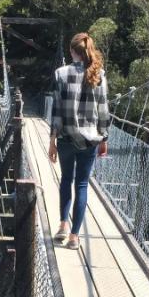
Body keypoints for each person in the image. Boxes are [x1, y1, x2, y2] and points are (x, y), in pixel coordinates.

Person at [49, 32, 111, 250]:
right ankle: (75, 237)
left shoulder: (60, 74)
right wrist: (104, 138)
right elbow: (103, 110)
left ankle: (62, 225)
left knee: (66, 180)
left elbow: (56, 111)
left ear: (72, 51)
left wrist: (51, 141)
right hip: (90, 140)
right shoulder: (99, 74)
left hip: (66, 138)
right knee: (82, 184)